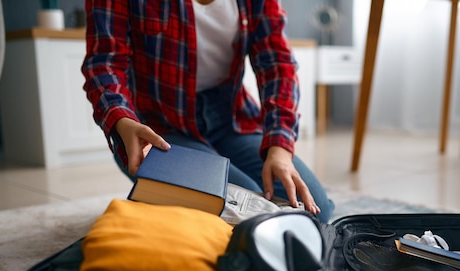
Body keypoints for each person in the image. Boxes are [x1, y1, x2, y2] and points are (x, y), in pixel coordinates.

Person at [81, 0, 334, 223]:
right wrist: (122, 121)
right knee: (243, 213)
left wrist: (279, 149)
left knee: (314, 211)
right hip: (158, 129)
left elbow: (278, 67)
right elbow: (104, 63)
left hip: (231, 120)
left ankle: (170, 203)